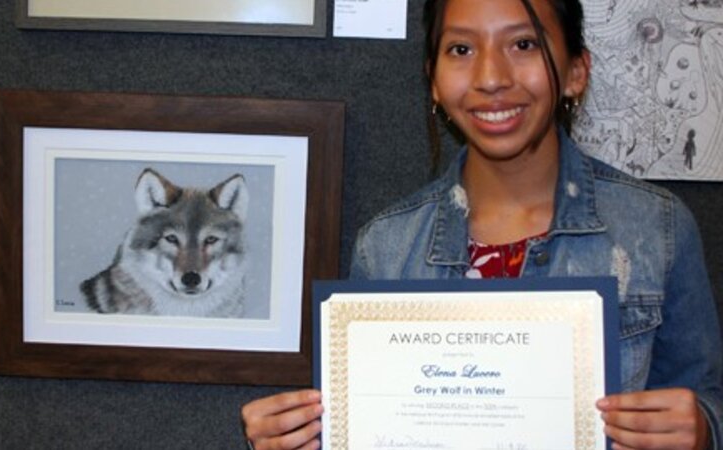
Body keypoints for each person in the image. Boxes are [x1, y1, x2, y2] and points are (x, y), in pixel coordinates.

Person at [240, 0, 723, 449]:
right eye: (461, 49)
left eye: (523, 44)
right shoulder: (386, 245)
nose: (491, 76)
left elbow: (705, 395)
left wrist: (704, 427)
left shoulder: (655, 227)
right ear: (433, 78)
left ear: (576, 71)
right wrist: (303, 435)